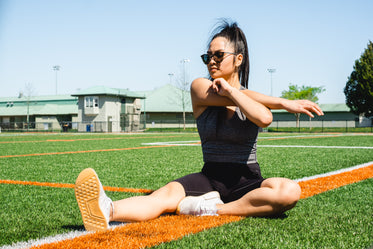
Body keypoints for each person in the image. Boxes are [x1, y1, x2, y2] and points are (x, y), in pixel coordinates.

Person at [74, 20, 324, 231]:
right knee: (166, 195)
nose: (211, 61)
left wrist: (234, 91)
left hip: (246, 179)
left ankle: (215, 210)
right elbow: (230, 98)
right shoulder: (199, 87)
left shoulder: (249, 101)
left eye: (218, 55)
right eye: (207, 56)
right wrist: (284, 102)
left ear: (238, 59)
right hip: (210, 176)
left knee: (289, 191)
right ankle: (108, 209)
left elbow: (265, 118)